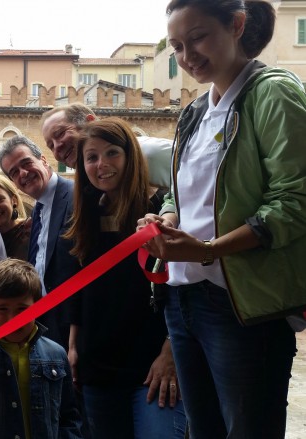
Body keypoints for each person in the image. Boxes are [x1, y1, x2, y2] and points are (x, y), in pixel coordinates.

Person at [139, 1, 306, 437]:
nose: (187, 56)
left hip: (240, 304)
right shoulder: (196, 110)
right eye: (177, 47)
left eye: (197, 38)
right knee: (203, 430)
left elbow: (295, 201)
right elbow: (179, 190)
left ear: (237, 25)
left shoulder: (274, 93)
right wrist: (167, 217)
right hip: (182, 298)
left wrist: (209, 250)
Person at [64, 118, 186, 438]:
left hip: (153, 368)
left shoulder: (161, 214)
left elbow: (184, 289)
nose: (101, 164)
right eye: (91, 157)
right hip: (99, 371)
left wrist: (170, 353)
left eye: (112, 153)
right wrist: (74, 346)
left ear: (130, 156)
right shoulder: (84, 219)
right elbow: (80, 290)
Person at [0, 258, 83, 439]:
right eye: (2, 309)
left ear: (37, 307)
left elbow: (69, 417)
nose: (13, 319)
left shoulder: (56, 354)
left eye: (22, 309)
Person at [0, 135, 78, 351]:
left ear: (43, 160)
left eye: (26, 163)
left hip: (73, 329)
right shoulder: (38, 211)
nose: (23, 174)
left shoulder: (75, 197)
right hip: (46, 325)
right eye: (14, 172)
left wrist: (76, 337)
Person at [41, 103, 172, 188]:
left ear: (90, 122)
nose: (57, 147)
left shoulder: (149, 153)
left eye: (60, 133)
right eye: (51, 146)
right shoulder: (89, 182)